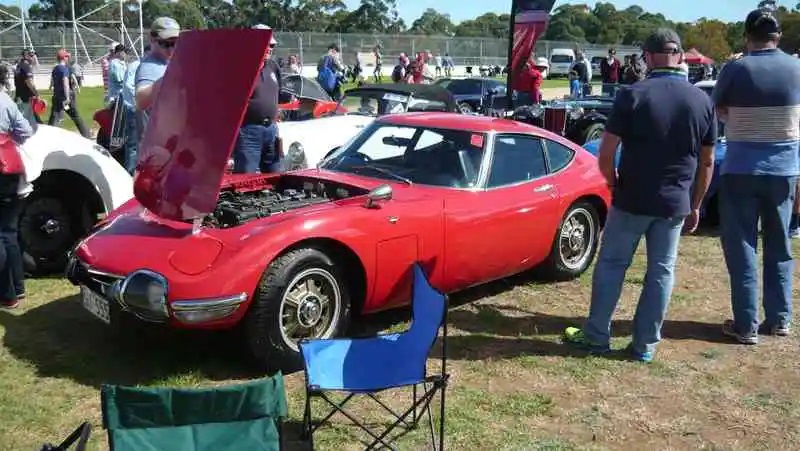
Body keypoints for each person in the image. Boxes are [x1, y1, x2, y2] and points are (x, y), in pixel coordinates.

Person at [563, 28, 717, 362]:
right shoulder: (702, 100)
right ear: (680, 55)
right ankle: (645, 346)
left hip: (631, 198)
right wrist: (696, 204)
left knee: (612, 266)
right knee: (661, 272)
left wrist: (612, 183)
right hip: (675, 202)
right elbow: (707, 161)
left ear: (647, 57)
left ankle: (596, 336)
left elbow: (606, 152)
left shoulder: (632, 95)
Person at [712, 8, 800, 343]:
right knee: (780, 244)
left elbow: (718, 109)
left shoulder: (736, 68)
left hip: (741, 167)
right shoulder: (796, 67)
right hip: (785, 168)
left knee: (742, 246)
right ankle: (779, 319)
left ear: (748, 36)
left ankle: (746, 325)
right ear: (778, 36)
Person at [0, 63, 34, 308]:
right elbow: (25, 131)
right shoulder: (5, 101)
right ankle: (17, 289)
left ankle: (7, 293)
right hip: (9, 168)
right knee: (8, 232)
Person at [232, 25, 283, 174]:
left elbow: (278, 91)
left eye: (272, 45)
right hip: (248, 132)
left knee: (276, 175)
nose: (270, 49)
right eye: (267, 44)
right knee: (245, 178)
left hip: (271, 130)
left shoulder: (273, 66)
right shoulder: (241, 67)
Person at [135, 16, 181, 143]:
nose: (171, 49)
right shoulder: (150, 65)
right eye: (165, 44)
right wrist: (168, 79)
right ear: (152, 40)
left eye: (176, 43)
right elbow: (141, 100)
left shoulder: (168, 62)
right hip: (157, 143)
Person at [47, 49, 90, 138]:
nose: (68, 58)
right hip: (65, 98)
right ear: (64, 58)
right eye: (67, 56)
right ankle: (86, 135)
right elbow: (65, 83)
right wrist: (67, 97)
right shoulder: (64, 69)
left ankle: (49, 136)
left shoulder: (55, 69)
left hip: (56, 97)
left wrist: (51, 87)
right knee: (75, 116)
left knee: (55, 117)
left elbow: (53, 81)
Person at [121, 53, 141, 174]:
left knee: (135, 141)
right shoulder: (137, 65)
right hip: (133, 108)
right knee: (133, 143)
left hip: (133, 107)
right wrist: (139, 101)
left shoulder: (135, 65)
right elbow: (129, 85)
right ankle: (130, 171)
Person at [13, 50, 40, 127]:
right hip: (26, 96)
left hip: (19, 94)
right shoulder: (26, 66)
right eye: (32, 56)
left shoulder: (19, 65)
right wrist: (37, 94)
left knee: (28, 116)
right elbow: (29, 82)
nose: (34, 58)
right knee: (25, 117)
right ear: (27, 56)